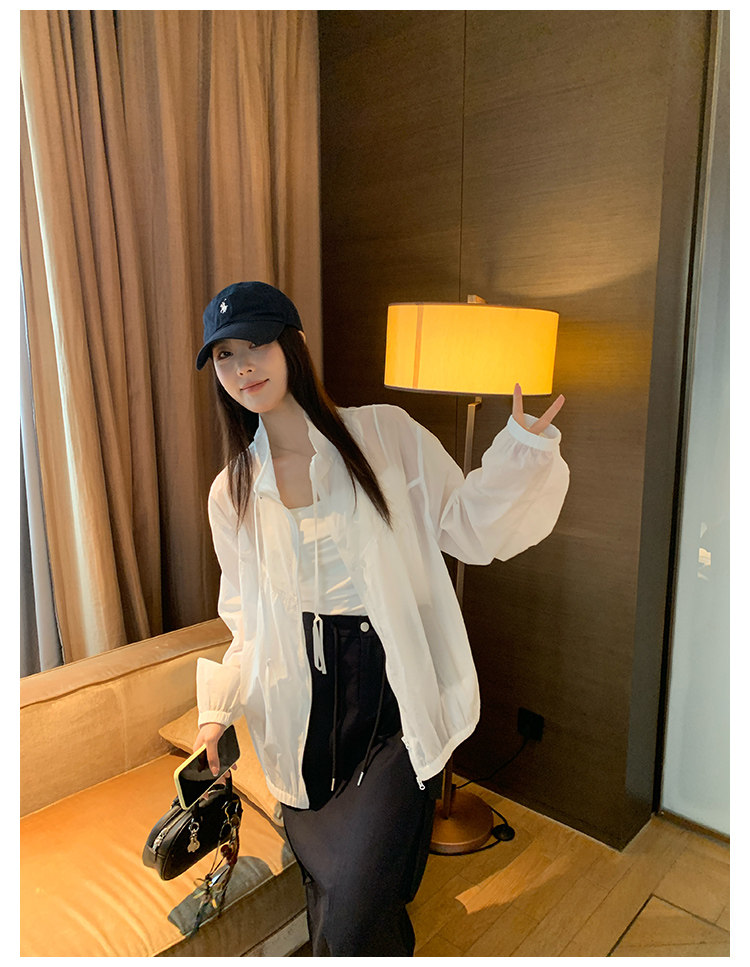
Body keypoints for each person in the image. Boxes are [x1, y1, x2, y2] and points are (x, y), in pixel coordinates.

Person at [192, 281, 569, 956]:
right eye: (225, 356)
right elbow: (246, 621)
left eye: (256, 345)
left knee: (351, 909)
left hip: (391, 700)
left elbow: (465, 524)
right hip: (302, 713)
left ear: (292, 345)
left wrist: (521, 453)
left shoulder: (383, 434)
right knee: (341, 897)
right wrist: (215, 715)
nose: (242, 367)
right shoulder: (233, 491)